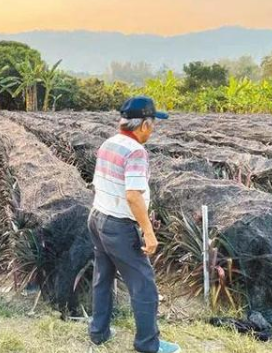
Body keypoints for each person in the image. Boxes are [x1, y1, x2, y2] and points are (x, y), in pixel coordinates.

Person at [87, 96, 181, 353]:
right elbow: (133, 195)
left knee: (102, 278)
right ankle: (148, 345)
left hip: (97, 217)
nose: (153, 129)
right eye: (152, 123)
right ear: (144, 125)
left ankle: (99, 332)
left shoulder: (109, 142)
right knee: (144, 285)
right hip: (118, 224)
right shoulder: (136, 151)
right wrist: (149, 234)